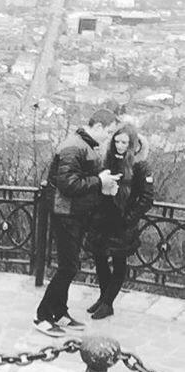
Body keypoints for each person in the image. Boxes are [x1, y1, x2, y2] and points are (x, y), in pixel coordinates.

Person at [34, 108, 120, 337]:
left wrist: (102, 185)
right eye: (108, 132)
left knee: (69, 266)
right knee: (68, 267)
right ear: (98, 126)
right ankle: (43, 315)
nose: (108, 137)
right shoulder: (74, 147)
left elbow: (80, 181)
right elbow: (68, 184)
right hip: (65, 214)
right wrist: (99, 181)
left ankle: (59, 312)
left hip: (74, 214)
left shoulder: (85, 146)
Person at [86, 124, 154, 319]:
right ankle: (104, 298)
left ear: (132, 144)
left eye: (124, 142)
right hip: (103, 219)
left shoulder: (140, 165)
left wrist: (129, 218)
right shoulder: (108, 160)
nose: (120, 146)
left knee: (118, 261)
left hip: (122, 223)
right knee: (99, 258)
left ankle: (108, 303)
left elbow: (147, 198)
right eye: (117, 141)